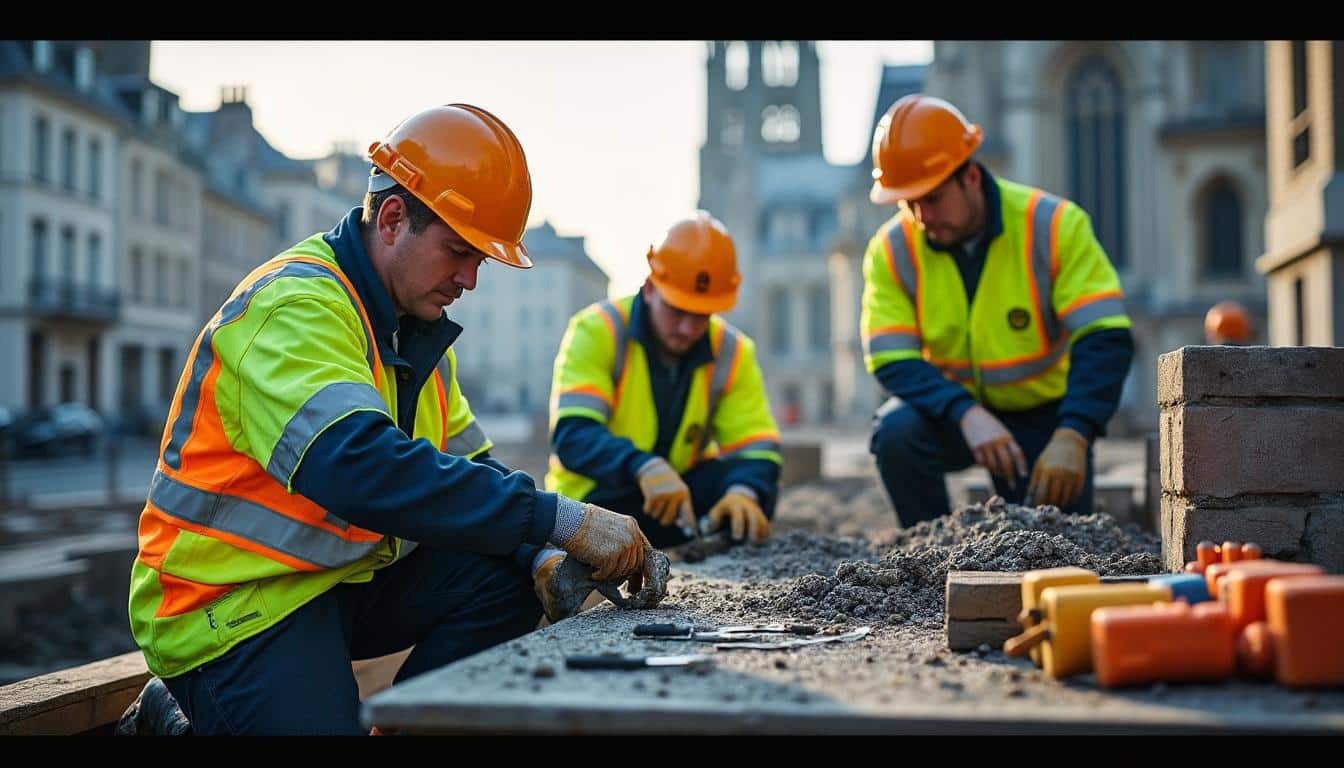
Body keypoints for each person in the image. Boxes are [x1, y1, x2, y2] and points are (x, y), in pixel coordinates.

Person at [125, 104, 653, 735]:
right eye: (459, 252)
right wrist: (564, 519)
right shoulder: (295, 306)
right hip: (229, 601)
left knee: (508, 572)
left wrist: (542, 549)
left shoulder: (413, 332)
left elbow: (470, 472)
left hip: (336, 581)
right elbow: (361, 469)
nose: (470, 280)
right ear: (395, 218)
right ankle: (169, 722)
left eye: (480, 260)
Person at [862, 94, 1134, 526]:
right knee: (896, 433)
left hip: (1043, 419)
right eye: (908, 203)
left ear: (970, 177)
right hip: (949, 412)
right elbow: (890, 358)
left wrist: (1074, 433)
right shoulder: (892, 250)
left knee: (1055, 542)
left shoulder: (1054, 224)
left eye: (931, 199)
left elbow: (1105, 336)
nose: (921, 217)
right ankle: (929, 551)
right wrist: (965, 412)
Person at [545, 211, 782, 548]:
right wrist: (642, 467)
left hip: (677, 501)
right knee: (598, 515)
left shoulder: (732, 351)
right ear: (650, 288)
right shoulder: (598, 330)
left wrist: (744, 492)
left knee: (752, 495)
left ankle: (715, 530)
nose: (687, 327)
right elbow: (574, 436)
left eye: (700, 315)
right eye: (677, 310)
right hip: (597, 502)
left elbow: (756, 446)